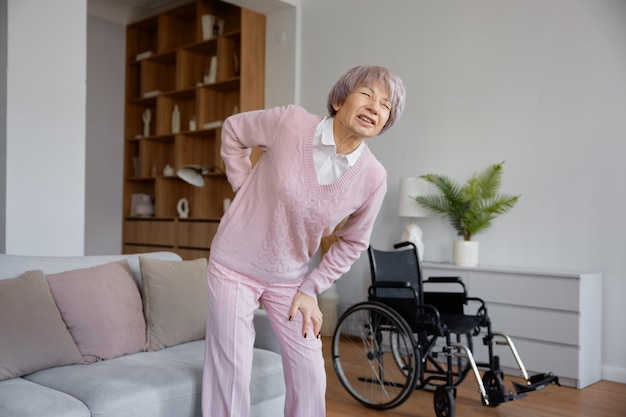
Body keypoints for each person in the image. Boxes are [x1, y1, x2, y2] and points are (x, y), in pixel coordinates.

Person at [202, 65, 406, 417]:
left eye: (386, 105)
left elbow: (353, 242)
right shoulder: (291, 123)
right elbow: (234, 131)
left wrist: (312, 287)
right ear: (340, 99)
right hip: (234, 263)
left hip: (290, 278)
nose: (375, 107)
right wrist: (244, 189)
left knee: (311, 373)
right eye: (367, 94)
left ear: (386, 122)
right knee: (232, 368)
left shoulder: (373, 177)